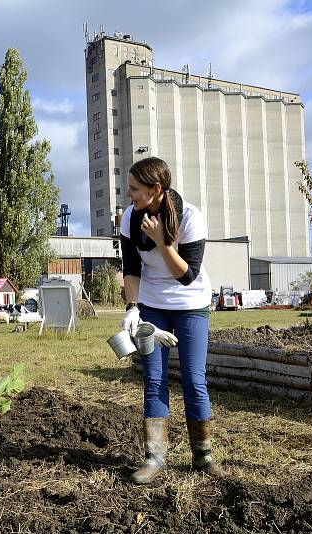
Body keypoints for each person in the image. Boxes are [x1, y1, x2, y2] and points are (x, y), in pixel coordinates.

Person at [120, 156, 223, 484]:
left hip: (191, 304)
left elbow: (187, 276)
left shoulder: (191, 217)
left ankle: (203, 456)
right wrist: (132, 308)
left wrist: (164, 242)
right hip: (151, 305)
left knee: (194, 379)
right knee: (154, 378)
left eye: (134, 189)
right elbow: (131, 269)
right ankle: (155, 457)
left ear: (156, 189)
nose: (128, 195)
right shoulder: (130, 217)